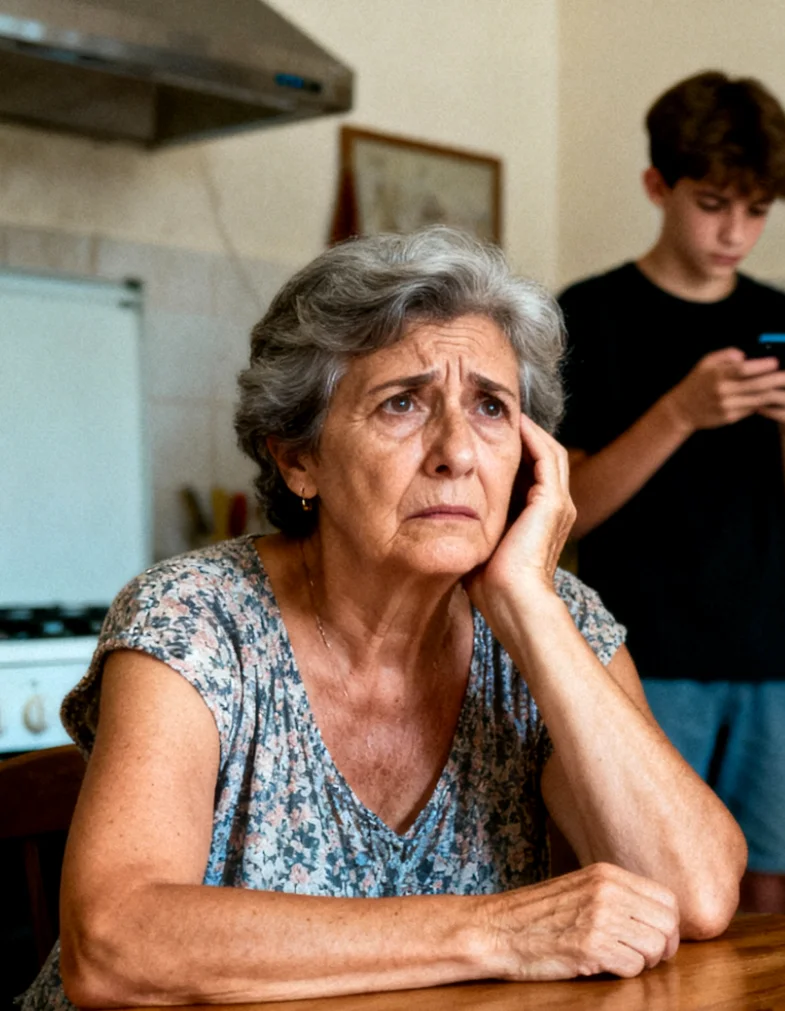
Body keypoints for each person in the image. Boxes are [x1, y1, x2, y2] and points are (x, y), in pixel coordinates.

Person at [21, 228, 745, 1011]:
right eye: (402, 403)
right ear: (298, 459)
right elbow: (114, 945)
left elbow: (697, 895)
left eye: (491, 407)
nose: (457, 451)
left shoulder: (552, 618)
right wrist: (495, 931)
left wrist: (530, 607)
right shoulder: (196, 616)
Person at [556, 70, 785, 916]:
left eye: (756, 211)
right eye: (713, 204)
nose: (735, 232)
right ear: (658, 185)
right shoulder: (590, 314)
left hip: (774, 652)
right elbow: (567, 511)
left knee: (769, 888)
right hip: (638, 655)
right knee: (642, 885)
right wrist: (679, 413)